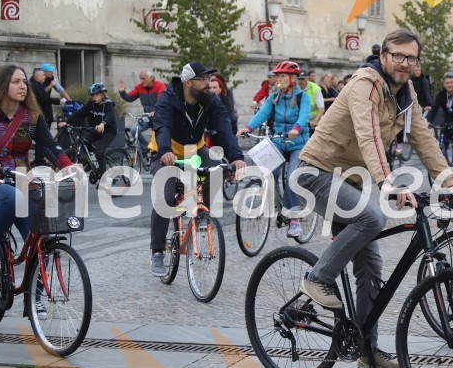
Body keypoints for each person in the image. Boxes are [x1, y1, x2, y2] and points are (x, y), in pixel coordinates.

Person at [294, 29, 453, 368]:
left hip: (350, 182)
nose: (405, 63)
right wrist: (387, 182)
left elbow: (422, 137)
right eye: (398, 56)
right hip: (314, 172)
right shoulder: (366, 83)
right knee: (372, 219)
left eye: (411, 58)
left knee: (371, 269)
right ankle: (317, 278)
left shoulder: (406, 94)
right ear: (384, 56)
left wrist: (451, 181)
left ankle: (366, 348)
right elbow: (369, 133)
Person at [148, 61, 246, 276]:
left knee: (218, 168)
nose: (207, 83)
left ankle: (203, 215)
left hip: (195, 150)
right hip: (166, 153)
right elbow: (162, 124)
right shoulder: (167, 98)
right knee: (164, 197)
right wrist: (164, 150)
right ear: (186, 82)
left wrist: (236, 157)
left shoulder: (210, 100)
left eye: (209, 79)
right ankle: (156, 251)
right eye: (202, 79)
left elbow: (224, 127)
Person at [0, 64, 77, 317]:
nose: (23, 86)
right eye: (16, 82)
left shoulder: (31, 116)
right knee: (10, 198)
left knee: (44, 234)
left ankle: (35, 298)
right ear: (2, 86)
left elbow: (50, 146)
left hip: (23, 179)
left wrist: (69, 167)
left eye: (24, 82)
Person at [237, 61, 310, 238]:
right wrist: (248, 128)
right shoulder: (275, 96)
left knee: (291, 177)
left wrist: (296, 129)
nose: (278, 79)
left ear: (292, 79)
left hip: (297, 143)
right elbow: (263, 114)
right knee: (268, 172)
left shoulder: (303, 97)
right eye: (277, 76)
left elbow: (304, 116)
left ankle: (293, 219)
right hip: (278, 140)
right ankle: (273, 201)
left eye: (282, 76)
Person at [59, 82, 118, 189]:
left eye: (96, 95)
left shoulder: (108, 104)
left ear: (102, 94)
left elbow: (110, 116)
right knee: (83, 142)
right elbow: (79, 114)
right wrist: (67, 122)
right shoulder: (91, 105)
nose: (94, 97)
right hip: (94, 130)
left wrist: (103, 124)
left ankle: (104, 180)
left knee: (100, 151)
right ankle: (92, 163)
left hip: (108, 131)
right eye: (92, 95)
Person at [118, 70, 167, 159]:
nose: (141, 81)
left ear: (151, 78)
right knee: (133, 130)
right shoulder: (139, 87)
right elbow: (130, 98)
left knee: (158, 135)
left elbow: (161, 101)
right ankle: (145, 149)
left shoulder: (160, 86)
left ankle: (159, 154)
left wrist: (155, 111)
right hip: (147, 116)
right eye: (140, 79)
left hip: (159, 116)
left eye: (143, 78)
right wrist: (122, 92)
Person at [426, 72, 453, 167]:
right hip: (448, 122)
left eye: (451, 82)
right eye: (447, 82)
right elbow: (434, 109)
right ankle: (444, 163)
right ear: (444, 83)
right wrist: (428, 121)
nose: (449, 84)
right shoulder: (441, 95)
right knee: (442, 141)